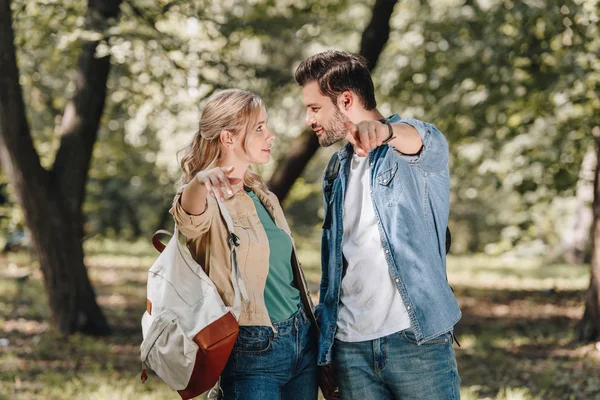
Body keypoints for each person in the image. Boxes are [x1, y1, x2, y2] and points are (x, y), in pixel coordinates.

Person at [295, 50, 462, 400]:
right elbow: (335, 265)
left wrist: (384, 131)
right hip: (351, 347)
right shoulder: (336, 170)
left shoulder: (412, 151)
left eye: (314, 108)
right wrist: (328, 347)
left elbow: (421, 139)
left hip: (415, 340)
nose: (308, 118)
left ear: (346, 99)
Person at [169, 89, 318, 400]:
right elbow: (188, 219)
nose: (271, 135)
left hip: (301, 339)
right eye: (259, 128)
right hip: (252, 349)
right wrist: (200, 181)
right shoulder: (204, 197)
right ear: (228, 138)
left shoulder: (262, 195)